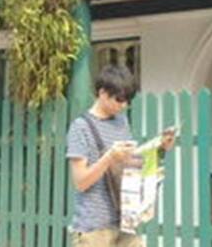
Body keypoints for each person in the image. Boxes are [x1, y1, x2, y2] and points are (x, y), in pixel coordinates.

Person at [67, 65, 175, 247]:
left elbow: (132, 165)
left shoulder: (121, 122)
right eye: (119, 99)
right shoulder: (81, 127)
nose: (123, 105)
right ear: (102, 93)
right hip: (94, 230)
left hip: (125, 222)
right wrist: (109, 157)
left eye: (127, 101)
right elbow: (80, 182)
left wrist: (160, 148)